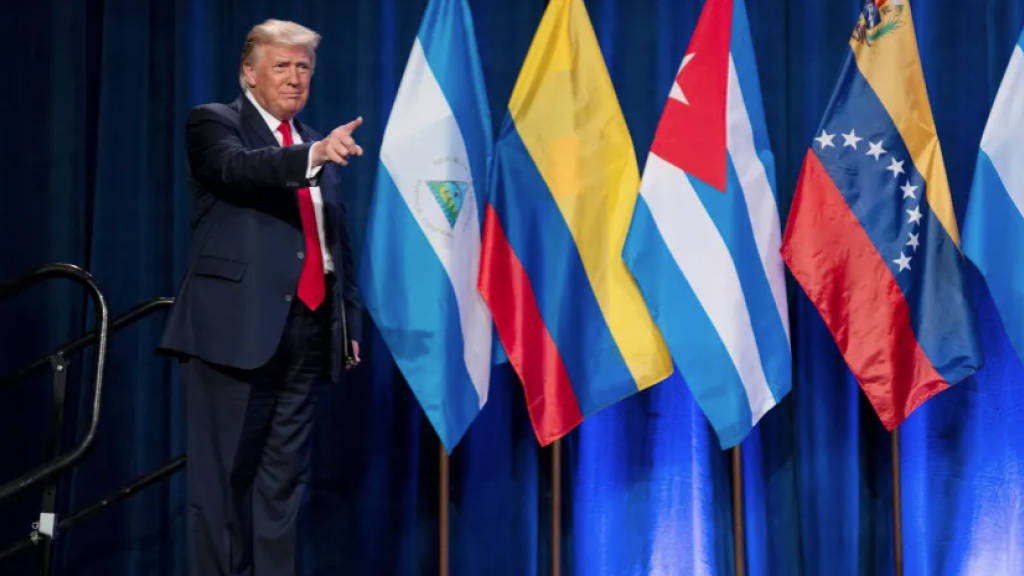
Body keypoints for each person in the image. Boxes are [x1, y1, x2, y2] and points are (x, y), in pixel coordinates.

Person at [158, 19, 364, 576]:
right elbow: (236, 170)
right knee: (222, 483)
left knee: (283, 487)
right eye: (282, 66)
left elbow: (334, 244)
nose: (295, 78)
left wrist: (348, 326)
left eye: (303, 68)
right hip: (235, 331)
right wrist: (312, 155)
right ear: (249, 73)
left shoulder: (317, 142)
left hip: (310, 331)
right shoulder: (216, 124)